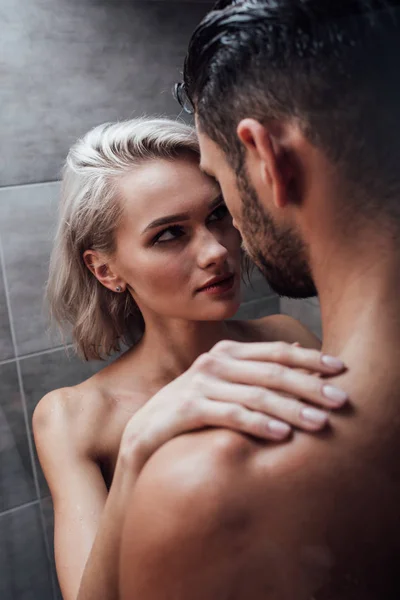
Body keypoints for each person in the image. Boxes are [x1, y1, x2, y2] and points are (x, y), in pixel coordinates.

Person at [119, 2, 400, 599]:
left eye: (221, 190)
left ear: (268, 158)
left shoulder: (209, 488)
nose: (224, 246)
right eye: (169, 233)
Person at [32, 117, 347, 600]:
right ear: (106, 269)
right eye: (169, 235)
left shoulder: (286, 339)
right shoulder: (75, 418)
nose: (217, 251)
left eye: (218, 214)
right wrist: (139, 446)